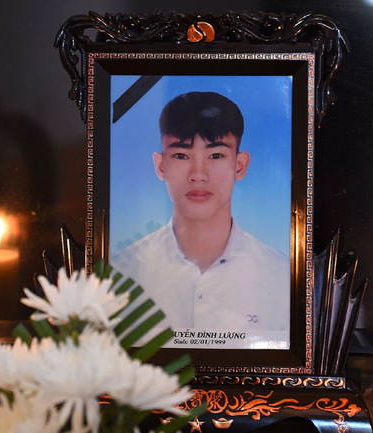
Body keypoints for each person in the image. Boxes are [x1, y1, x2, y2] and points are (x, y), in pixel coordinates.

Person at [111, 91, 290, 331]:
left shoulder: (283, 279)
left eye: (216, 155)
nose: (198, 175)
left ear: (240, 165)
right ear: (160, 165)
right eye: (181, 155)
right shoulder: (120, 274)